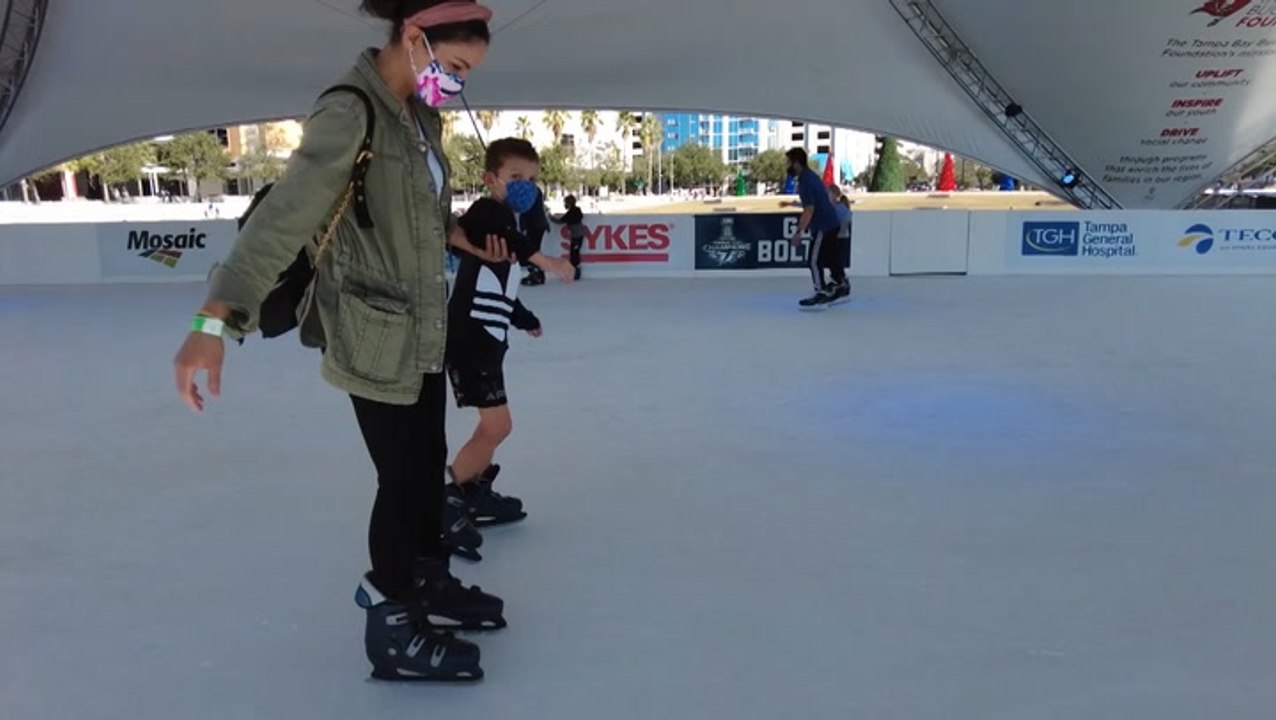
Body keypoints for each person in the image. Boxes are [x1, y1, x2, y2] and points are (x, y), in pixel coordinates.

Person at [172, 0, 516, 682]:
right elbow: (280, 223)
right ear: (413, 38)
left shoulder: (421, 117)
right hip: (372, 334)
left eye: (466, 73)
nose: (456, 83)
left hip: (423, 332)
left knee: (427, 466)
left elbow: (418, 222)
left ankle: (426, 583)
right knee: (402, 480)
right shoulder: (351, 112)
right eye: (452, 66)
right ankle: (392, 624)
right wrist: (211, 323)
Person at [440, 138, 572, 560]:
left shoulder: (507, 227)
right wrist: (549, 262)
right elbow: (511, 246)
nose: (526, 187)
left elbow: (502, 288)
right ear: (490, 180)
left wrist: (525, 318)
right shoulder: (487, 215)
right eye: (516, 178)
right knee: (497, 427)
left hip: (488, 340)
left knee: (498, 426)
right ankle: (445, 501)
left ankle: (470, 492)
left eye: (532, 180)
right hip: (471, 339)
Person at [783, 147, 847, 308]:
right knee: (831, 256)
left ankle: (821, 291)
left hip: (822, 226)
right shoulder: (812, 177)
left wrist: (798, 232)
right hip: (832, 223)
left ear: (797, 163)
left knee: (813, 260)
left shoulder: (805, 181)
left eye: (789, 162)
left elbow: (809, 209)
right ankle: (841, 284)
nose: (787, 165)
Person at [518, 184, 551, 286]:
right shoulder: (536, 190)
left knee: (531, 250)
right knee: (535, 248)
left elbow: (525, 209)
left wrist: (523, 227)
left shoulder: (527, 191)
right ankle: (539, 273)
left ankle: (536, 273)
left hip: (533, 224)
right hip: (539, 223)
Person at [552, 195, 586, 280]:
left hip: (576, 236)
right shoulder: (577, 211)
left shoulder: (571, 213)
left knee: (574, 254)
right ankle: (574, 272)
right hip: (578, 235)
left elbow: (560, 221)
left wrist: (550, 217)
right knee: (574, 253)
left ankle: (575, 273)